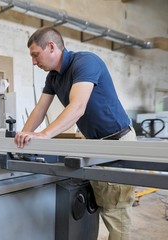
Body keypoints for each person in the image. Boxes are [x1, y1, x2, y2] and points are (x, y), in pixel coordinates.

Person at [14, 27, 136, 240]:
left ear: (51, 46)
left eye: (35, 55)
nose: (33, 62)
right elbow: (40, 109)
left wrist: (44, 135)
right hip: (94, 144)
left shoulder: (86, 62)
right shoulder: (53, 77)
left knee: (116, 212)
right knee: (99, 204)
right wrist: (24, 136)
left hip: (117, 141)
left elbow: (78, 106)